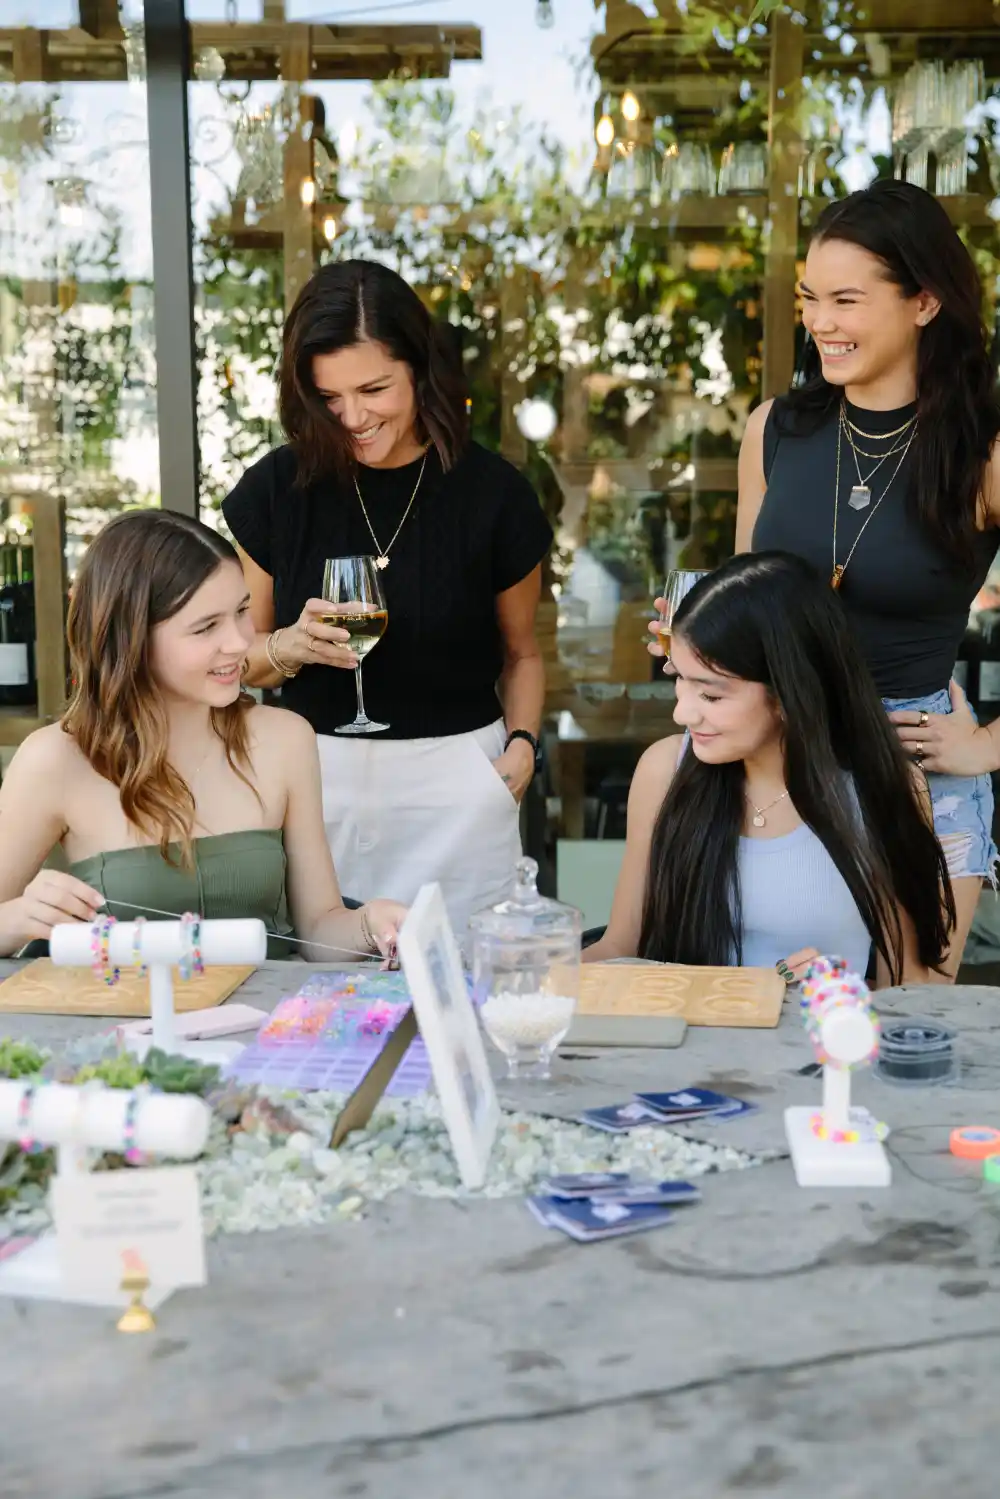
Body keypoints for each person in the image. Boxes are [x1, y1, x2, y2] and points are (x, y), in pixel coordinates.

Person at [650, 179, 1000, 972]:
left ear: (925, 302)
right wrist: (699, 638)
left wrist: (986, 744)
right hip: (776, 756)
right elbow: (752, 598)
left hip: (915, 763)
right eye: (811, 297)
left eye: (846, 299)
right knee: (755, 1001)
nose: (820, 323)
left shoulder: (983, 451)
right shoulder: (773, 429)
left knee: (905, 1022)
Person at [223, 260, 553, 936]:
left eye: (375, 388)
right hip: (319, 790)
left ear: (421, 371)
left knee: (469, 994)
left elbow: (523, 653)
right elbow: (237, 662)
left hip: (460, 798)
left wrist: (521, 746)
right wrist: (287, 647)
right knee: (322, 1004)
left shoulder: (493, 495)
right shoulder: (278, 490)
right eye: (330, 397)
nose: (353, 417)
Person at [0, 510, 406, 961]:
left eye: (241, 612)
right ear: (130, 637)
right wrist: (18, 920)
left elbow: (318, 930)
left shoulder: (285, 738)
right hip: (120, 1026)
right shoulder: (56, 759)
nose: (237, 642)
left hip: (266, 1027)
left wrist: (370, 925)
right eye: (206, 626)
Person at [595, 553, 954, 986]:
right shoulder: (664, 771)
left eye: (710, 696)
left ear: (788, 693)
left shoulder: (882, 789)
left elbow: (905, 988)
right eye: (680, 681)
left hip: (821, 1047)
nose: (683, 713)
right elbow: (619, 951)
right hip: (684, 1044)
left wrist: (820, 992)